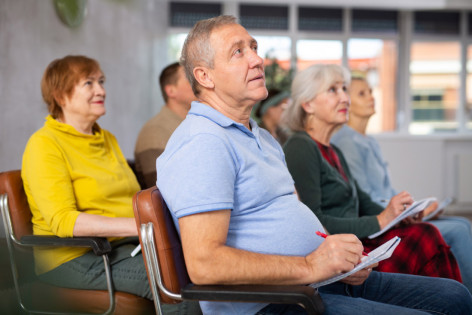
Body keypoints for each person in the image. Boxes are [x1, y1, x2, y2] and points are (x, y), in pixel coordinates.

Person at [155, 15, 472, 315]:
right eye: (237, 52)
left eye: (253, 47)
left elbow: (291, 217)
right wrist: (310, 265)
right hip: (275, 302)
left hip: (321, 282)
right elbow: (205, 264)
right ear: (204, 76)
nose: (256, 59)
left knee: (455, 297)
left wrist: (334, 260)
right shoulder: (203, 142)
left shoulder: (259, 136)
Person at [22, 55, 201, 314]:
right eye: (89, 83)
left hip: (123, 246)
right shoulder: (44, 144)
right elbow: (63, 220)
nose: (101, 90)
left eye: (101, 81)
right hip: (75, 257)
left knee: (200, 269)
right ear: (60, 95)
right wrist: (140, 227)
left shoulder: (106, 138)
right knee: (178, 289)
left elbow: (129, 197)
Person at [283, 64, 462, 281]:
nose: (345, 98)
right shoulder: (300, 146)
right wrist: (381, 220)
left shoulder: (334, 150)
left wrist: (398, 216)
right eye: (333, 90)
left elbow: (364, 202)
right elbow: (313, 222)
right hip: (342, 252)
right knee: (425, 236)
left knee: (424, 232)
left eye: (344, 89)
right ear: (308, 104)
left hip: (358, 240)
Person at [331, 76, 472, 292]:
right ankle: (463, 297)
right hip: (379, 221)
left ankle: (460, 293)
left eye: (370, 91)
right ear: (347, 101)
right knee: (459, 229)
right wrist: (404, 213)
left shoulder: (368, 140)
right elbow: (363, 199)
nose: (371, 97)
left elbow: (386, 191)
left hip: (392, 214)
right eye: (362, 93)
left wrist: (413, 207)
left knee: (462, 223)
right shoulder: (347, 142)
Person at [134, 61, 196, 188]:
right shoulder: (154, 131)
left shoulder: (198, 125)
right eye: (190, 78)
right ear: (171, 91)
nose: (199, 82)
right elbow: (163, 189)